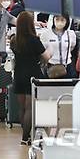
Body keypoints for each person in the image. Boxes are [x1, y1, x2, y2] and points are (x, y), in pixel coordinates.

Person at [10, 12, 52, 145]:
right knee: (30, 108)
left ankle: (25, 137)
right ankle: (25, 137)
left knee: (22, 108)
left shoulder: (14, 40)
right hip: (32, 76)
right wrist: (50, 49)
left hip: (18, 75)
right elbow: (46, 57)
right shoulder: (34, 40)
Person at [40, 14, 78, 78]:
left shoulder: (71, 34)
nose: (59, 22)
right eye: (57, 19)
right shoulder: (46, 34)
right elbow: (43, 50)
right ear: (53, 20)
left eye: (62, 20)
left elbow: (72, 47)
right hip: (52, 67)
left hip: (67, 66)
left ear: (66, 22)